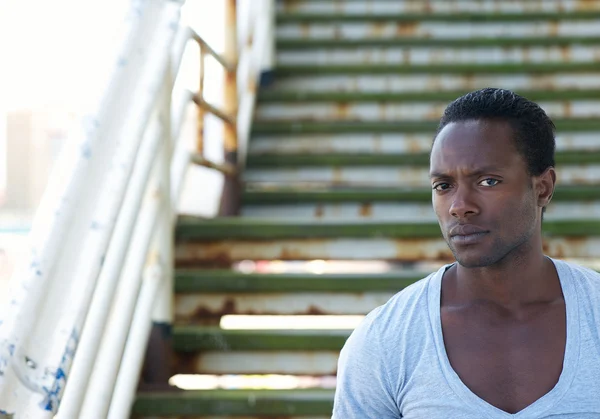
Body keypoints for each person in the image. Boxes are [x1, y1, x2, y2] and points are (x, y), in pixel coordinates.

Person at [331, 88, 600, 418]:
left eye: (488, 181)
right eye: (444, 186)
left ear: (542, 188)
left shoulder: (594, 315)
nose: (459, 207)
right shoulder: (386, 340)